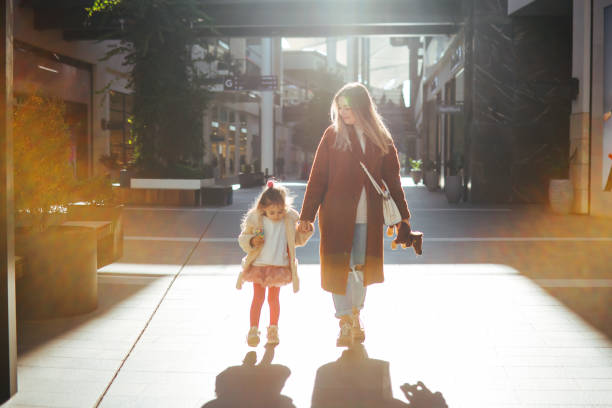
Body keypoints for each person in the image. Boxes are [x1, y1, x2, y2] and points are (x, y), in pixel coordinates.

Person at [298, 82, 412, 347]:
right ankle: (344, 320)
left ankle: (356, 315)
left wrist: (403, 217)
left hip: (368, 216)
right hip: (336, 214)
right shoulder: (331, 135)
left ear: (362, 107)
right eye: (340, 108)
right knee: (339, 267)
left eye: (348, 107)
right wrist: (307, 215)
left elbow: (393, 181)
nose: (343, 112)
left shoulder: (381, 138)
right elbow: (317, 179)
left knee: (359, 268)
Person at [237, 180, 313, 347]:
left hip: (278, 267)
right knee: (257, 298)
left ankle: (273, 329)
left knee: (273, 299)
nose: (277, 215)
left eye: (280, 211)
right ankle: (253, 329)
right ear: (263, 208)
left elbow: (296, 240)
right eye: (272, 212)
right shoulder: (256, 220)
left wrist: (305, 232)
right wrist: (252, 240)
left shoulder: (288, 220)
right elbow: (243, 238)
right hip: (258, 266)